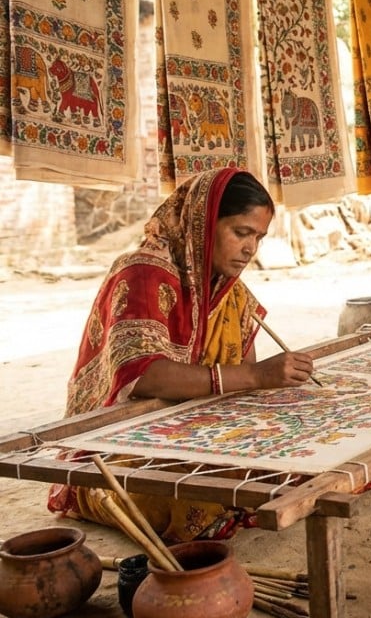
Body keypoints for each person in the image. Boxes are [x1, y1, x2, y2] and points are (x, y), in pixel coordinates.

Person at [48, 168, 317, 543]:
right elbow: (144, 376)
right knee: (193, 499)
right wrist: (257, 376)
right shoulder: (141, 273)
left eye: (258, 237)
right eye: (241, 232)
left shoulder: (228, 290)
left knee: (309, 462)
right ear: (203, 223)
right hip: (117, 447)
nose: (250, 249)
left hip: (196, 431)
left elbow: (243, 381)